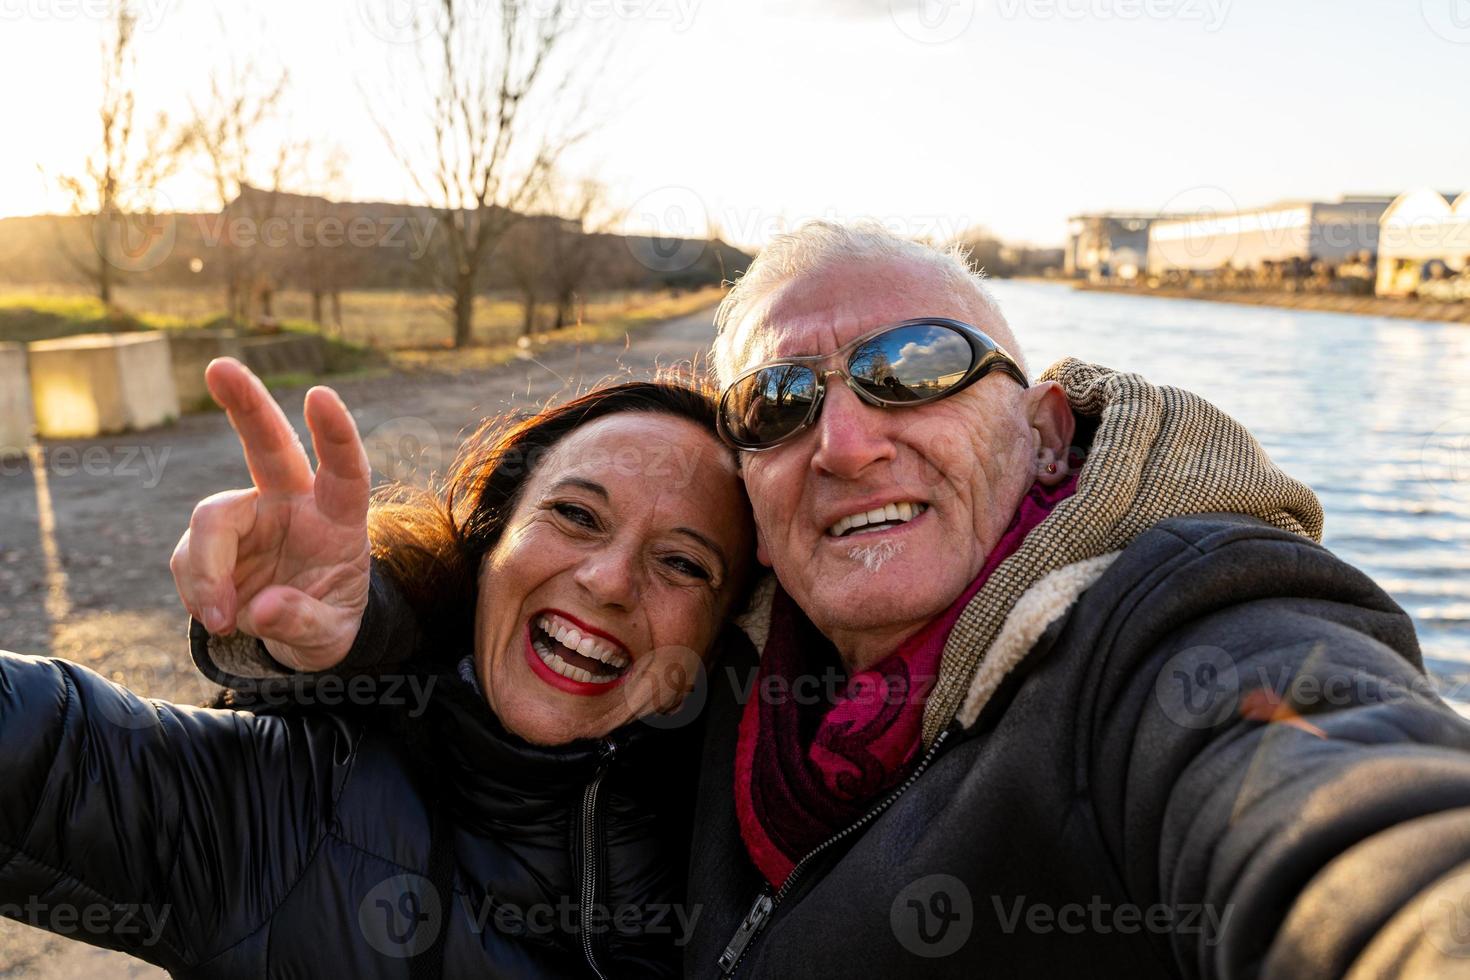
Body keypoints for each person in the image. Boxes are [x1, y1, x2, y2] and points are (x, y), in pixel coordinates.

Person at [191, 222, 1470, 978]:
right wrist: (360, 630)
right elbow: (537, 662)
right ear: (750, 487)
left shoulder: (1167, 628)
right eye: (781, 404)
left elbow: (1341, 809)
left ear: (1042, 425)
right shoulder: (731, 676)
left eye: (916, 366)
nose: (849, 441)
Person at [0, 358, 754, 978]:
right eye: (577, 515)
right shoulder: (282, 813)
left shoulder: (759, 853)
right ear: (490, 544)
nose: (610, 581)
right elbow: (43, 746)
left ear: (721, 640)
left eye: (684, 564)